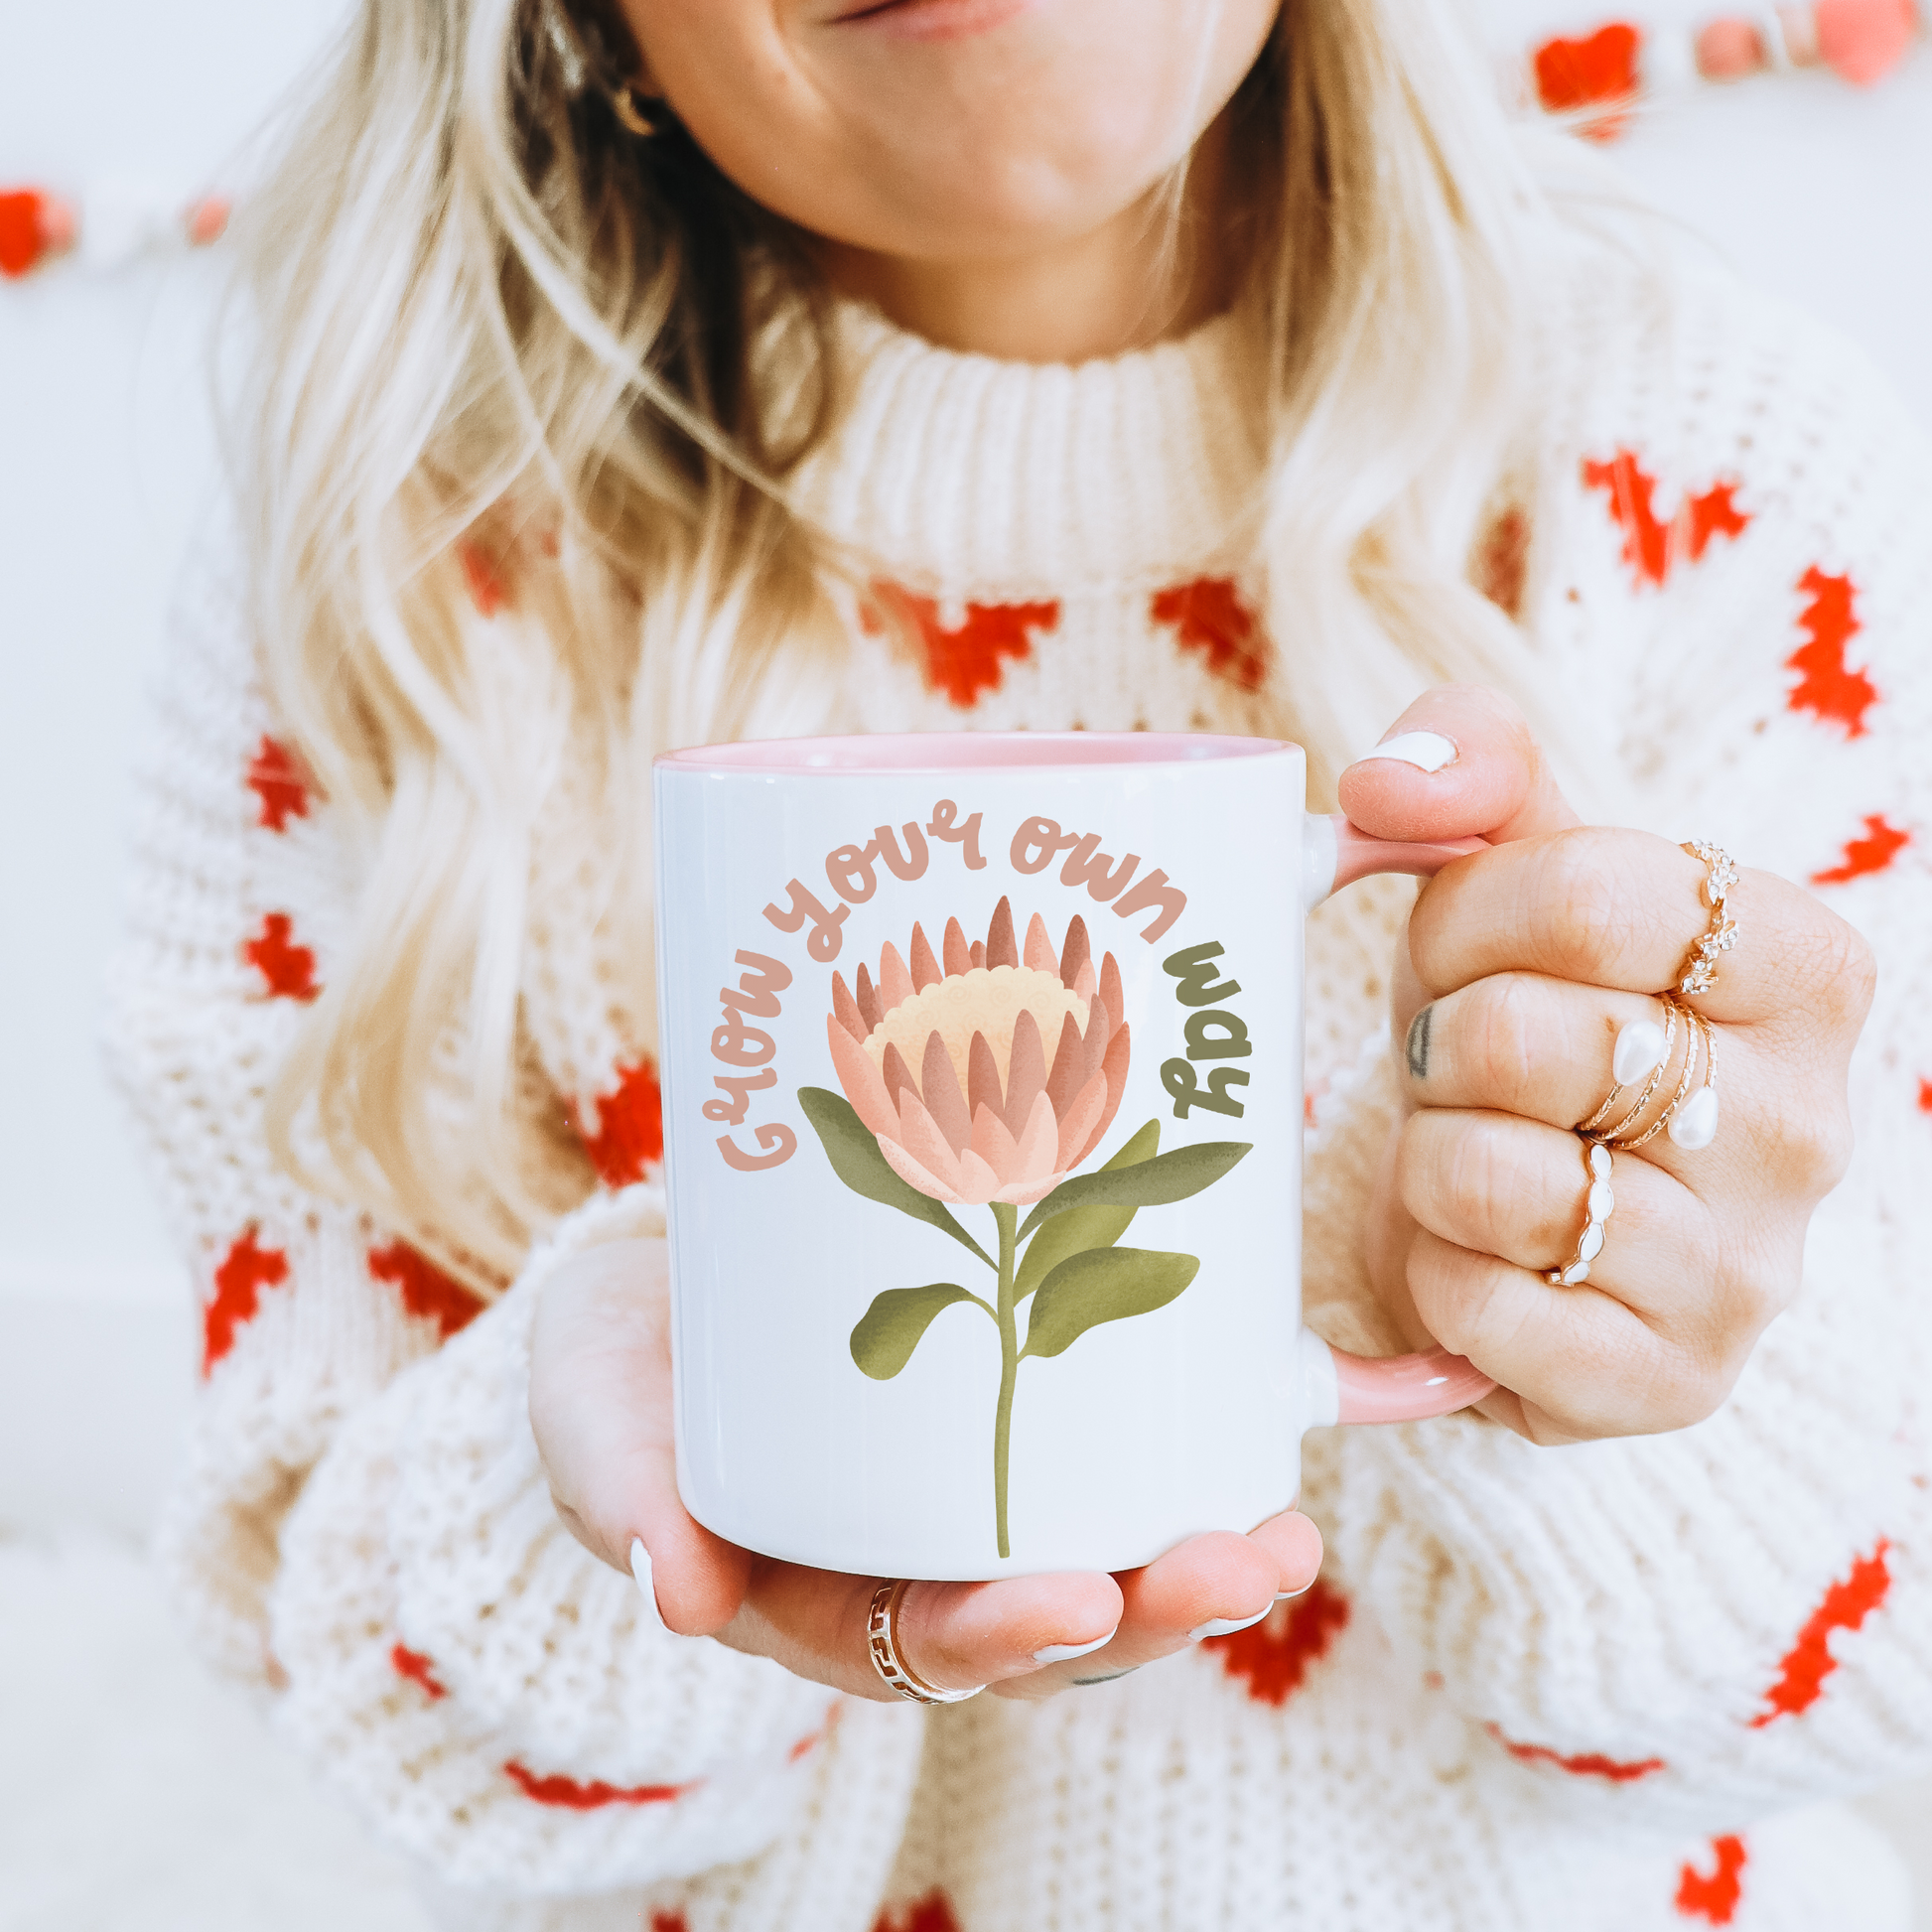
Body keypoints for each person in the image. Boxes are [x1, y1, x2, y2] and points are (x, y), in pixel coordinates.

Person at [108, 0, 1932, 1926]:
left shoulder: (1714, 473)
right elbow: (359, 1712)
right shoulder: (400, 577)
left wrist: (1559, 1357)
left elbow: (1853, 1671)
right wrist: (617, 1501)